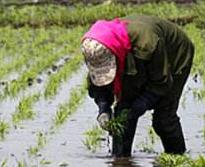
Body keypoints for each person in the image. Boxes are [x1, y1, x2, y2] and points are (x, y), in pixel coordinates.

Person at [81, 15, 194, 157]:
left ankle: (177, 157)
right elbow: (99, 84)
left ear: (114, 55)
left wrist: (142, 103)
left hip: (174, 54)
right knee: (123, 113)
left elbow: (162, 81)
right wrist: (103, 108)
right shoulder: (97, 49)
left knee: (163, 118)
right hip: (132, 54)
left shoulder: (148, 44)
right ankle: (120, 162)